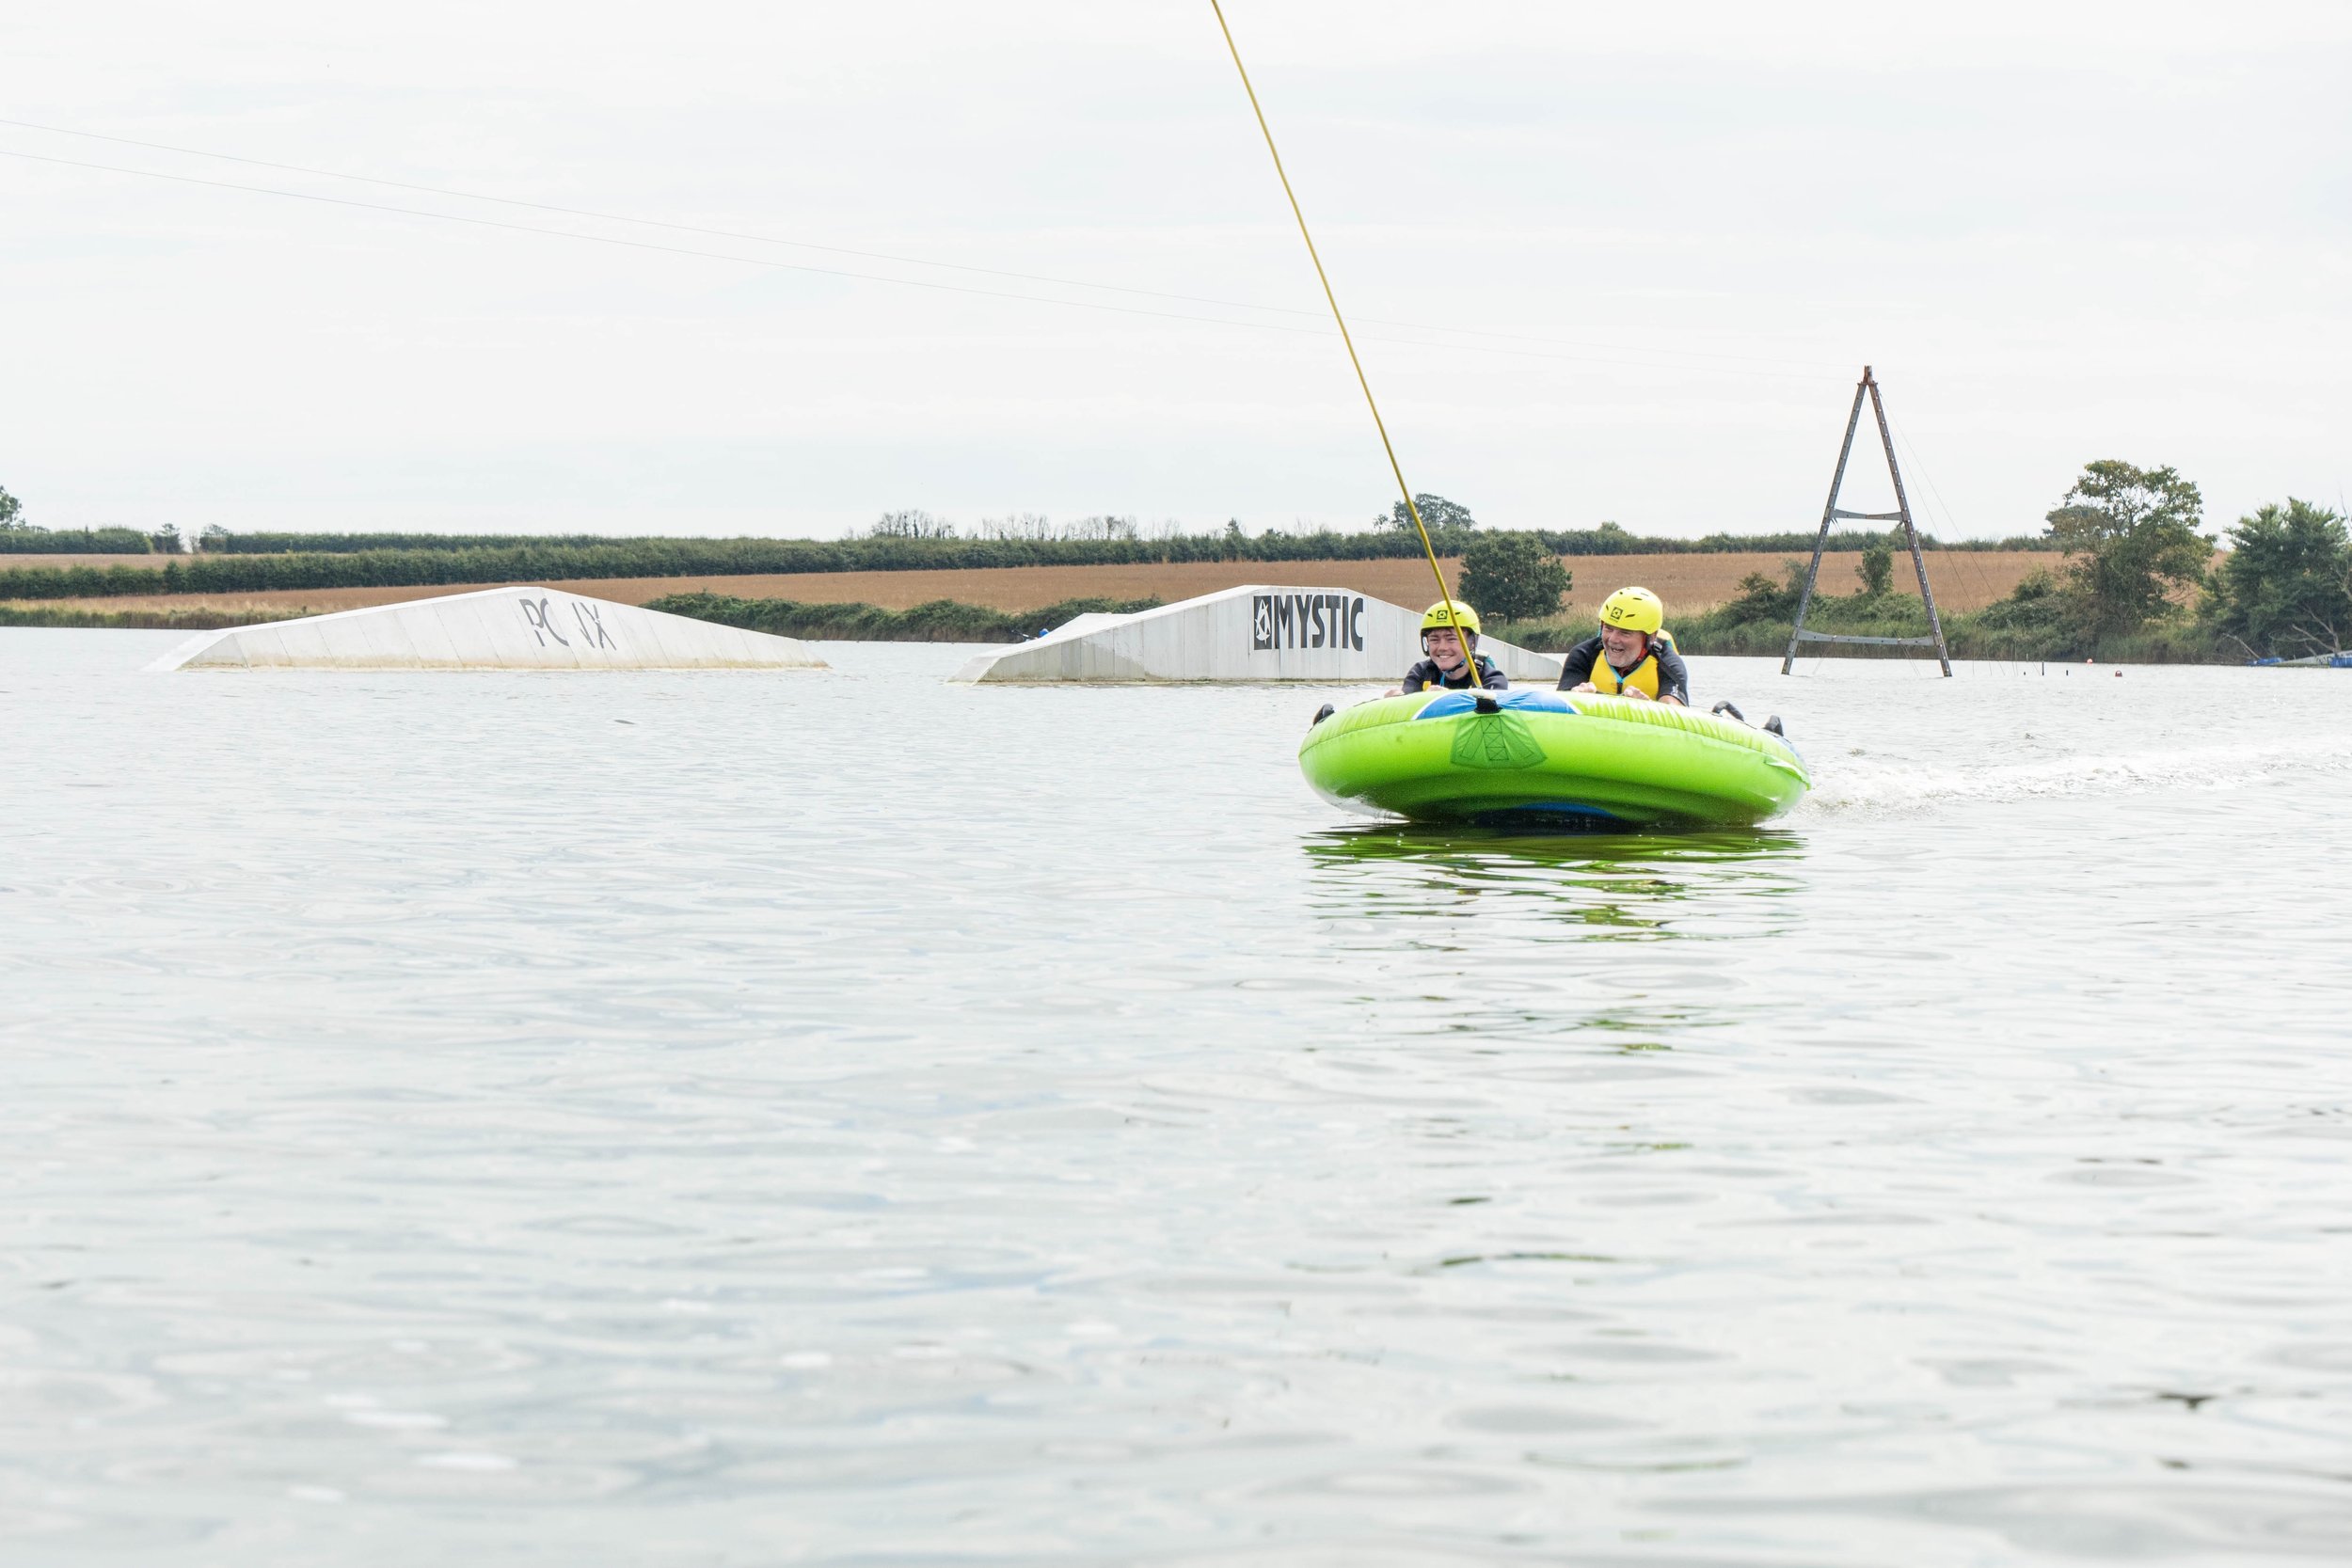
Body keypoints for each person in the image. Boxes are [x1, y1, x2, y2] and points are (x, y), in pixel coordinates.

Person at [1558, 587, 1688, 705]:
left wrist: (1646, 708)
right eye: (1608, 628)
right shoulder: (1583, 655)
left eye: (1625, 633)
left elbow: (1674, 708)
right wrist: (1575, 696)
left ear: (1651, 637)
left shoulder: (1669, 662)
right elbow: (1561, 703)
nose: (1613, 639)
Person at [1387, 599, 1508, 695]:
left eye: (1451, 639)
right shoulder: (1420, 673)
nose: (1442, 647)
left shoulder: (1492, 678)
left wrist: (1447, 699)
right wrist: (1397, 699)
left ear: (1472, 642)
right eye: (1434, 639)